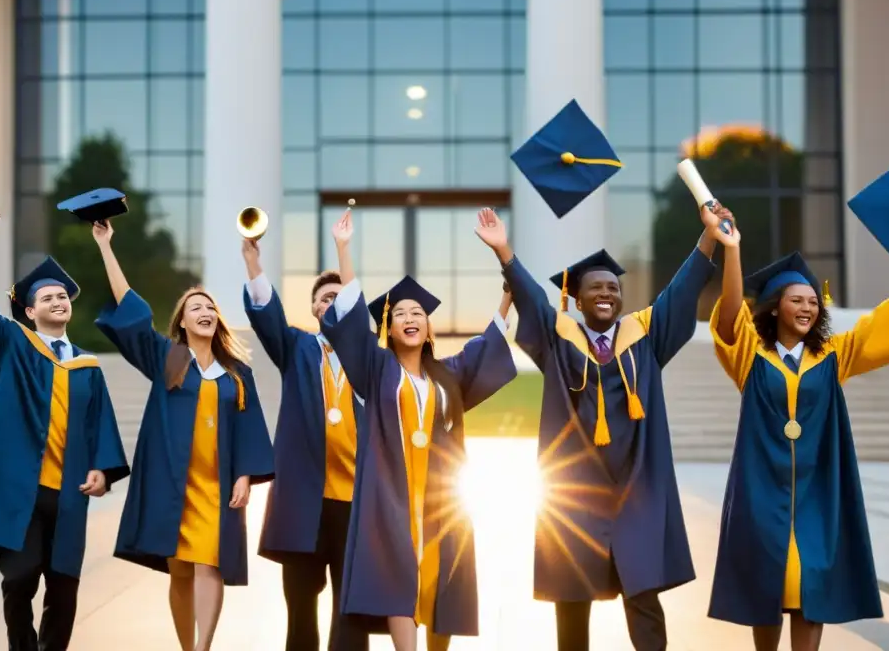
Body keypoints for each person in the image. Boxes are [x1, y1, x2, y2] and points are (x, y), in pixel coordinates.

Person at [475, 204, 734, 651]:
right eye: (595, 287)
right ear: (577, 300)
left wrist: (708, 238)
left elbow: (679, 292)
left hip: (635, 489)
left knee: (644, 598)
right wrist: (504, 251)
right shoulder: (559, 339)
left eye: (613, 287)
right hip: (573, 495)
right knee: (572, 604)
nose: (606, 294)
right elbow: (534, 300)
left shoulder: (644, 337)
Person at [709, 237, 889, 650]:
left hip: (817, 491)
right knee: (771, 583)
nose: (807, 308)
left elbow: (884, 321)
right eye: (797, 300)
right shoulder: (750, 353)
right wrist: (731, 249)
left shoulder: (834, 355)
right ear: (775, 306)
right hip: (762, 491)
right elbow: (729, 314)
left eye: (813, 302)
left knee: (809, 586)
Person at [320, 209, 516, 651]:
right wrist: (343, 249)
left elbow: (484, 352)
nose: (410, 318)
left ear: (428, 326)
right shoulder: (375, 369)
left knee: (440, 582)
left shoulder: (446, 375)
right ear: (388, 327)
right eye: (400, 313)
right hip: (390, 498)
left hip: (441, 499)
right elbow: (350, 328)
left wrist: (506, 298)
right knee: (398, 579)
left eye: (418, 313)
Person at [0, 244, 129, 651]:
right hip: (23, 491)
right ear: (30, 312)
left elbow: (100, 424)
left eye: (61, 296)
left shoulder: (87, 366)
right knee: (19, 578)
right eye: (46, 298)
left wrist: (103, 470)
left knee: (64, 587)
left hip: (69, 494)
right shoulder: (12, 345)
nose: (57, 301)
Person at [91, 221, 274, 651]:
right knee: (182, 571)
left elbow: (249, 428)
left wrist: (245, 476)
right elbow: (132, 311)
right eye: (195, 307)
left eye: (210, 306)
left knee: (211, 564)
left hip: (216, 487)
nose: (205, 311)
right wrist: (106, 248)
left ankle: (203, 648)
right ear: (182, 322)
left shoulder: (236, 374)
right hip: (176, 484)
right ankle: (186, 645)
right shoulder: (169, 359)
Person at [241, 236, 368, 651]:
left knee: (351, 607)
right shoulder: (297, 347)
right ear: (314, 309)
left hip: (354, 501)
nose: (329, 302)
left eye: (337, 296)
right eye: (323, 298)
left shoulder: (371, 358)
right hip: (304, 501)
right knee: (299, 603)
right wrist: (252, 261)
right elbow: (268, 318)